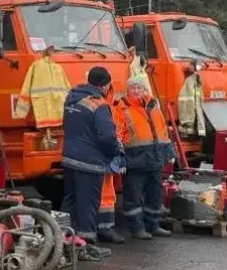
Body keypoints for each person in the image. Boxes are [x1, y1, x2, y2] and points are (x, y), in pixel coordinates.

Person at [61, 66, 124, 244]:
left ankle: (63, 239)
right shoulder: (100, 105)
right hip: (90, 162)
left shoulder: (72, 97)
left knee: (70, 202)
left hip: (69, 158)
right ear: (105, 86)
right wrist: (114, 152)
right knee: (88, 204)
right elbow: (106, 136)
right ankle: (86, 242)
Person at [112, 76, 175, 239]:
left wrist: (169, 152)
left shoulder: (154, 107)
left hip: (154, 160)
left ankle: (153, 225)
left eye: (139, 87)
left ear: (145, 89)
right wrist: (120, 159)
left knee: (155, 195)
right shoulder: (121, 109)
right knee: (133, 197)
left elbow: (163, 133)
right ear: (128, 90)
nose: (136, 90)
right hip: (135, 161)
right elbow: (117, 136)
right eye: (133, 88)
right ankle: (137, 228)